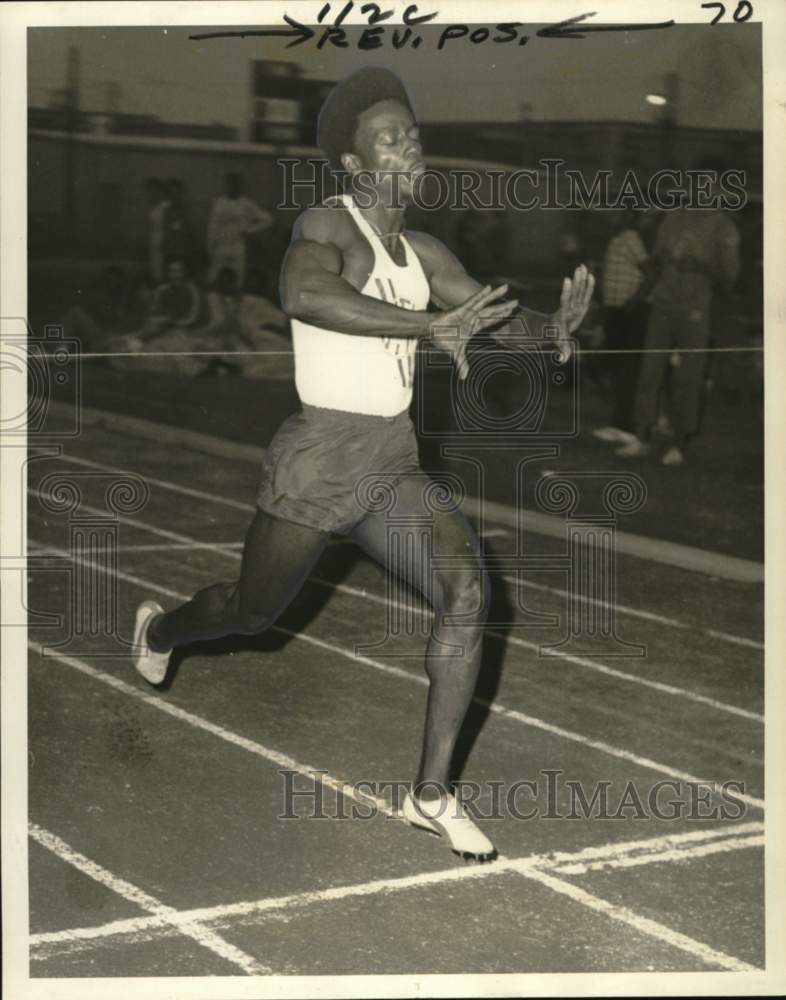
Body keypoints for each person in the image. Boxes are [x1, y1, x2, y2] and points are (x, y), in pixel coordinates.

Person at [132, 68, 594, 861]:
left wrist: (554, 328)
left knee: (468, 589)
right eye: (388, 136)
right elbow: (305, 297)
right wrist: (427, 326)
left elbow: (486, 320)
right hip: (318, 457)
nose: (408, 142)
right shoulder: (329, 224)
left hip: (388, 458)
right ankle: (165, 630)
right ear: (355, 163)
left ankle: (431, 794)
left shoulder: (424, 251)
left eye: (411, 131)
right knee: (251, 613)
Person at [617, 162, 740, 466]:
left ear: (717, 189)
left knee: (689, 377)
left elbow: (730, 279)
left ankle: (679, 443)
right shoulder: (673, 218)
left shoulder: (723, 226)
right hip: (663, 305)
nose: (700, 191)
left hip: (694, 310)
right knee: (650, 372)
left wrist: (699, 267)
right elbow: (657, 258)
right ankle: (642, 436)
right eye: (696, 184)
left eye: (708, 185)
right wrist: (657, 263)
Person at [593, 209, 655, 444]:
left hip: (629, 312)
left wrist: (635, 302)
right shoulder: (617, 239)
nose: (609, 217)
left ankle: (625, 426)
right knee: (618, 368)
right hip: (616, 311)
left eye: (615, 214)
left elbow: (650, 273)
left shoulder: (630, 238)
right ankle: (621, 422)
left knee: (627, 369)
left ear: (627, 217)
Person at [207, 172, 273, 290]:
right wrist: (210, 245)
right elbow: (213, 226)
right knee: (215, 276)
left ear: (239, 186)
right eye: (230, 184)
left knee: (238, 276)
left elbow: (268, 219)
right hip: (221, 245)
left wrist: (249, 230)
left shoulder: (246, 204)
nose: (232, 187)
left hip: (238, 245)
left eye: (235, 184)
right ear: (226, 185)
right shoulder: (219, 202)